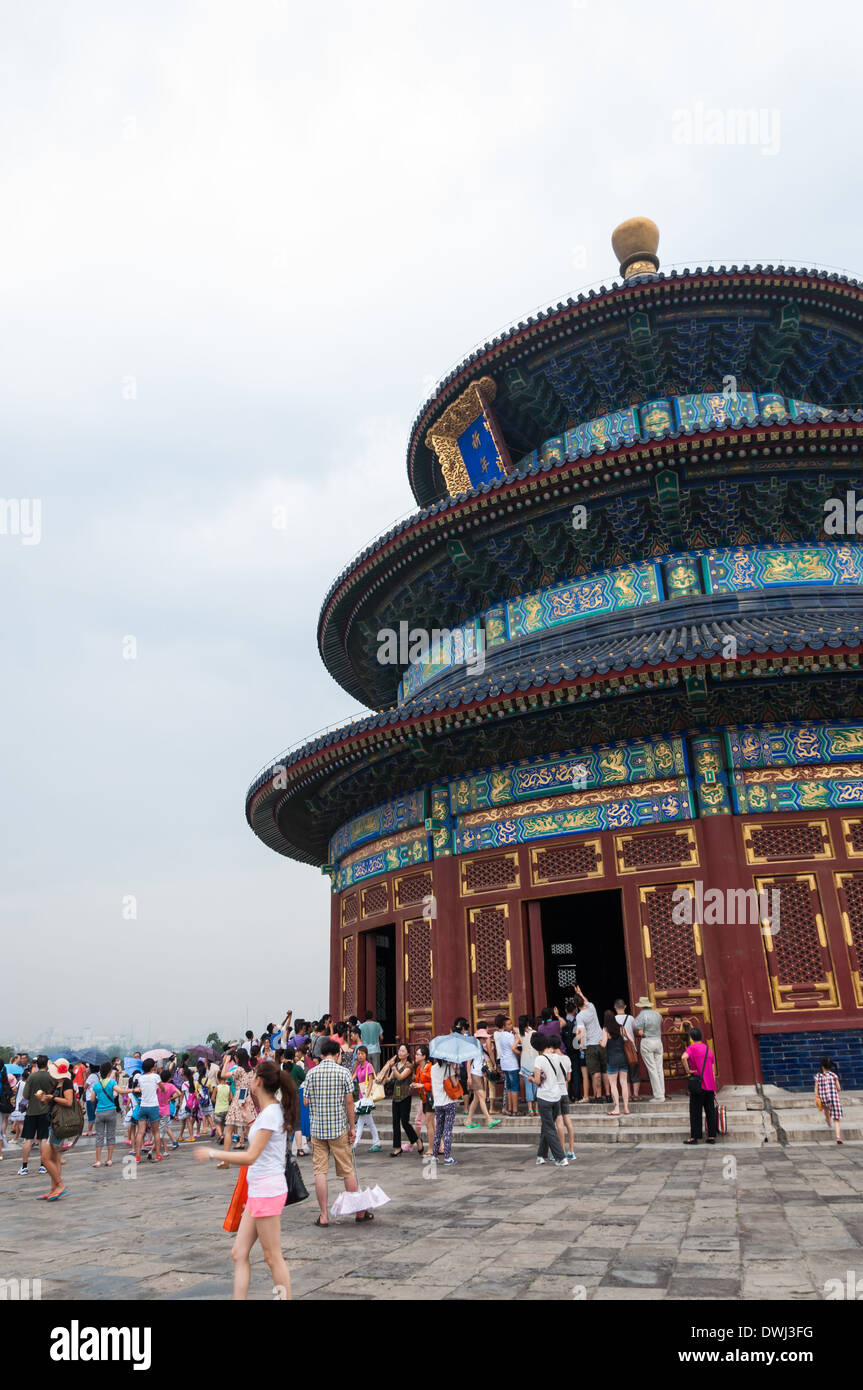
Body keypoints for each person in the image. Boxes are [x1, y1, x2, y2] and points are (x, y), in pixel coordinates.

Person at [196, 1058, 296, 1299]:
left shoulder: (271, 1112)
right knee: (239, 1253)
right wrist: (249, 1118)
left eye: (253, 1076)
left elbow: (251, 1156)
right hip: (259, 1191)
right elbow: (263, 1138)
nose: (250, 1079)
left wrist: (214, 1153)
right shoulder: (267, 1112)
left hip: (267, 1190)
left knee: (272, 1256)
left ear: (258, 1081)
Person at [303, 1038, 367, 1225]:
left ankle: (323, 1216)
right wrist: (352, 1126)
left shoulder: (311, 1074)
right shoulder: (344, 1073)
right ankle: (359, 1213)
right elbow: (349, 1102)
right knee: (348, 1171)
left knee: (320, 1172)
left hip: (318, 1130)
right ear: (338, 1054)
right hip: (339, 1128)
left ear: (321, 1055)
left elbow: (306, 1101)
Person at [34, 1058, 77, 1199]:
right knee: (54, 1158)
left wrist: (52, 1098)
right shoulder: (58, 1084)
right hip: (53, 1122)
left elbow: (69, 1102)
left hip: (59, 1125)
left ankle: (59, 1185)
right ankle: (53, 1189)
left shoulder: (66, 1083)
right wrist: (46, 1099)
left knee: (45, 1158)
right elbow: (55, 1103)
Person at [530, 1034, 568, 1167]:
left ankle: (561, 1157)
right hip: (556, 1095)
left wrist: (531, 1079)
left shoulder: (539, 1059)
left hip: (544, 1096)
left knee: (549, 1128)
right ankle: (541, 1155)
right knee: (546, 1126)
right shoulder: (557, 1057)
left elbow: (538, 1081)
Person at [378, 1043, 422, 1156]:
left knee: (405, 1122)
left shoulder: (409, 1066)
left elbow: (400, 1076)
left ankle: (416, 1140)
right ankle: (397, 1147)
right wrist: (382, 1077)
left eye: (403, 1051)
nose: (400, 1053)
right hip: (396, 1096)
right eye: (399, 1051)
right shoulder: (396, 1064)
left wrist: (392, 1067)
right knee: (395, 1123)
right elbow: (390, 1078)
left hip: (405, 1097)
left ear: (407, 1054)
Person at [219, 1047, 256, 1165]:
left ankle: (226, 1160)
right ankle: (255, 1157)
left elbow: (223, 1075)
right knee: (250, 1130)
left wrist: (225, 1062)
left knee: (229, 1129)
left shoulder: (239, 1070)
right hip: (248, 1098)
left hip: (239, 1098)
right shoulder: (251, 1071)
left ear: (237, 1058)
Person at [17, 1056, 53, 1176]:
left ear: (36, 1064)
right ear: (47, 1064)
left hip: (31, 1111)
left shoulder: (32, 1076)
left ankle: (24, 1167)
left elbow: (26, 1095)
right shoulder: (50, 1077)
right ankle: (43, 1166)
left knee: (28, 1139)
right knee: (43, 1139)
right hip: (45, 1111)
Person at [682, 1026, 717, 1145]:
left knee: (695, 1111)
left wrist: (687, 1070)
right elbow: (712, 1070)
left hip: (698, 1085)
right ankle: (711, 1136)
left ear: (691, 1038)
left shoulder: (692, 1048)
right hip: (710, 1085)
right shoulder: (708, 1050)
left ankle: (694, 1137)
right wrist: (714, 1087)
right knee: (710, 1111)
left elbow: (683, 1057)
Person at [575, 990, 608, 1102]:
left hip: (590, 1045)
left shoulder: (580, 1016)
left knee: (596, 1072)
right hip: (601, 1042)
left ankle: (598, 1096)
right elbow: (587, 1001)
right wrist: (580, 992)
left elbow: (582, 1033)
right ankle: (608, 1095)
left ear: (576, 1005)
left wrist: (581, 1046)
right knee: (605, 1071)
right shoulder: (592, 1007)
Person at [464, 1031, 501, 1130]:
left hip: (478, 1074)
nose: (485, 1040)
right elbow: (468, 1063)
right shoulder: (473, 1048)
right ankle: (489, 1120)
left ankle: (468, 1120)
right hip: (474, 1074)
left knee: (476, 1099)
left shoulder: (479, 1048)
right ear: (479, 1038)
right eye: (484, 1038)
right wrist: (469, 1077)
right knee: (482, 1097)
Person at [548, 1035, 576, 1158]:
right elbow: (568, 1078)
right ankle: (571, 1150)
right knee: (568, 1122)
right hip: (564, 1092)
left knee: (558, 1123)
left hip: (555, 1093)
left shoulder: (551, 1059)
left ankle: (561, 1151)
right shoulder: (567, 1058)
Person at [633, 995, 665, 1101]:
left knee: (652, 1069)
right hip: (658, 1041)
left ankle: (659, 1095)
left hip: (647, 1041)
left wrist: (641, 1031)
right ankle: (662, 1093)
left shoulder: (642, 1015)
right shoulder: (657, 1014)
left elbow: (635, 1026)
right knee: (659, 1068)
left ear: (641, 1006)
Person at [132, 1058, 164, 1162]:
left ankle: (137, 1156)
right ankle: (158, 1154)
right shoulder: (156, 1076)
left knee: (140, 1132)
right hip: (153, 1106)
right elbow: (163, 1088)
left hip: (143, 1106)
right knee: (156, 1131)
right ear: (152, 1067)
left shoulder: (140, 1078)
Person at [430, 1054, 460, 1164]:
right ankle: (447, 1157)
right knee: (447, 1130)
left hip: (438, 1103)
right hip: (449, 1102)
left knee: (438, 1130)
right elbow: (455, 1084)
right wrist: (456, 1074)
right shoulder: (449, 1068)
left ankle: (434, 1156)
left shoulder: (433, 1069)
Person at [599, 1011, 631, 1117]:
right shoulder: (621, 1027)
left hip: (612, 1059)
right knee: (624, 1083)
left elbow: (604, 1044)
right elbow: (630, 1039)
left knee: (613, 1084)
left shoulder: (606, 1029)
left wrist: (600, 1042)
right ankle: (626, 1108)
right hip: (623, 1058)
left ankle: (617, 1108)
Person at [352, 1046, 381, 1152]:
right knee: (369, 1122)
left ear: (366, 1055)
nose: (360, 1056)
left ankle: (354, 1144)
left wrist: (366, 1098)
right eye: (358, 1054)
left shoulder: (369, 1066)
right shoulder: (359, 1067)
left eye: (362, 1054)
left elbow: (370, 1082)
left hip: (365, 1098)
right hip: (362, 1097)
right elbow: (352, 1078)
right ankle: (377, 1142)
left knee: (360, 1122)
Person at [92, 1061, 121, 1167]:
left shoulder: (97, 1085)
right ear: (109, 1072)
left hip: (99, 1112)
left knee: (99, 1136)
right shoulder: (112, 1083)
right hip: (111, 1111)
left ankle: (98, 1160)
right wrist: (132, 1090)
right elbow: (120, 1092)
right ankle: (109, 1159)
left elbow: (91, 1099)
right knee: (110, 1136)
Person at [493, 1014, 521, 1117]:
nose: (511, 1026)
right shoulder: (510, 1036)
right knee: (514, 1087)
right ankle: (515, 1110)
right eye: (508, 1024)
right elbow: (516, 1047)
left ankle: (510, 1108)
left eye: (511, 1024)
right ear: (504, 1026)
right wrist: (517, 1035)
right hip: (512, 1064)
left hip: (505, 1064)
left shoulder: (502, 1036)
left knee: (509, 1087)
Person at [614, 998, 641, 1102]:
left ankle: (628, 1095)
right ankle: (636, 1095)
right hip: (631, 1048)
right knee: (635, 1072)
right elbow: (635, 1030)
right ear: (625, 1007)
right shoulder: (630, 1018)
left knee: (624, 1073)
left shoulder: (614, 1019)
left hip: (620, 1049)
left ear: (615, 1007)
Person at [413, 1044, 436, 1153]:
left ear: (424, 1056)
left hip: (431, 1097)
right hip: (424, 1098)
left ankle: (431, 1149)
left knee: (428, 1123)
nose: (416, 1056)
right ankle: (438, 1146)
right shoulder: (418, 1068)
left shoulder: (430, 1067)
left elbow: (434, 1084)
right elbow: (420, 1081)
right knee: (431, 1123)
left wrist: (422, 1085)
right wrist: (415, 1084)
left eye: (418, 1054)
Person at [815, 1056, 843, 1144]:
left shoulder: (818, 1076)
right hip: (834, 1099)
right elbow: (838, 1088)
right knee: (836, 1119)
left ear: (822, 1066)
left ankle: (828, 1121)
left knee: (826, 1109)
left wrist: (817, 1096)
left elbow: (816, 1088)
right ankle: (838, 1137)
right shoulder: (834, 1075)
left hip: (823, 1098)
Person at [517, 1017, 539, 1116]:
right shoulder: (534, 1032)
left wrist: (521, 1053)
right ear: (528, 1023)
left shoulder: (519, 1034)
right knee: (537, 1085)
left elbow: (513, 1048)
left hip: (525, 1061)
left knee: (528, 1086)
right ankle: (537, 1109)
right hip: (535, 1060)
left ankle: (530, 1109)